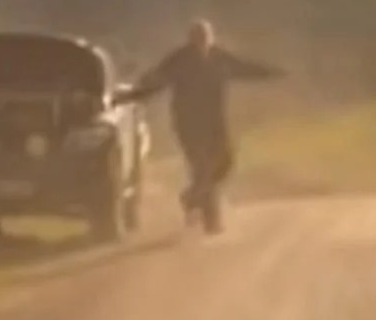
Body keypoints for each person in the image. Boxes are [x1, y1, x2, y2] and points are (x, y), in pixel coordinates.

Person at [116, 19, 282, 232]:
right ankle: (211, 221)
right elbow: (156, 82)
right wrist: (131, 96)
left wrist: (272, 72)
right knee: (202, 169)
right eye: (197, 37)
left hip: (215, 122)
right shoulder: (178, 59)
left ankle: (191, 196)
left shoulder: (219, 57)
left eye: (205, 37)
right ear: (190, 39)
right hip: (188, 124)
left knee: (225, 164)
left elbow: (245, 68)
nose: (202, 42)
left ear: (211, 38)